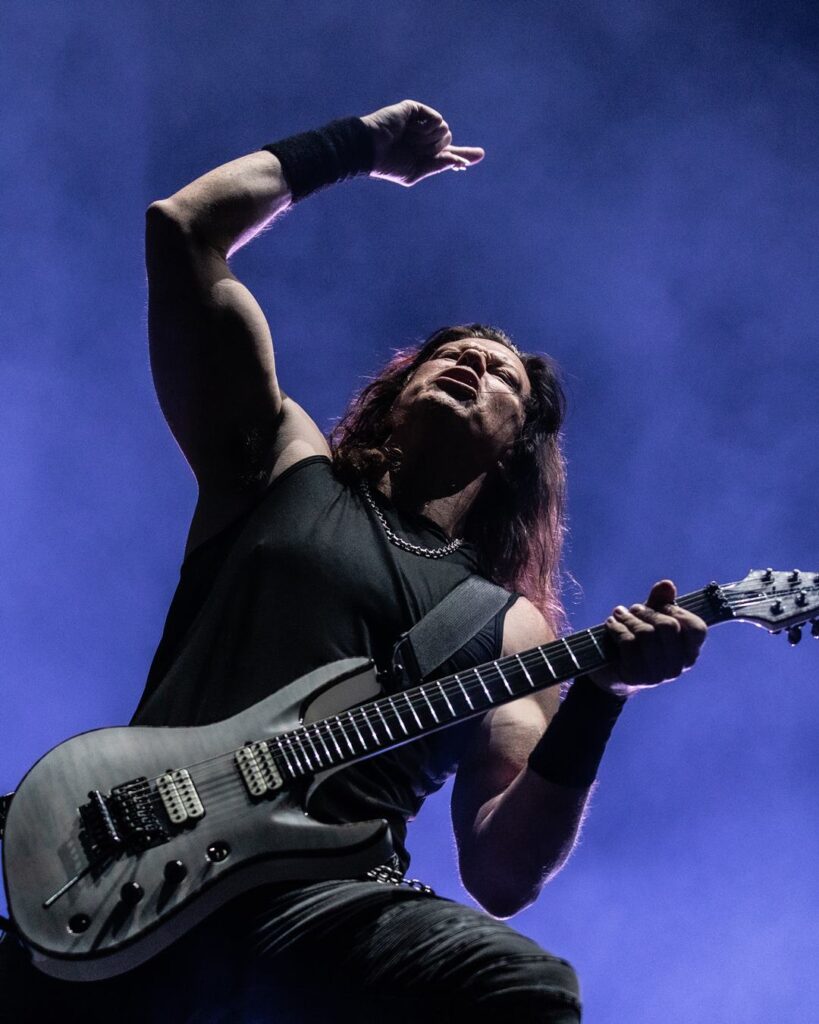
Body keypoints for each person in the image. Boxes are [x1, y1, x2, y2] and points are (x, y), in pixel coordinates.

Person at [0, 100, 706, 1024]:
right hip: (128, 861)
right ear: (395, 388)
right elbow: (183, 229)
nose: (470, 365)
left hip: (313, 909)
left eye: (499, 373)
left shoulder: (510, 629)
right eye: (448, 355)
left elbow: (501, 870)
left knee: (521, 991)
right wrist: (360, 147)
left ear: (515, 447)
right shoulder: (283, 466)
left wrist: (600, 700)